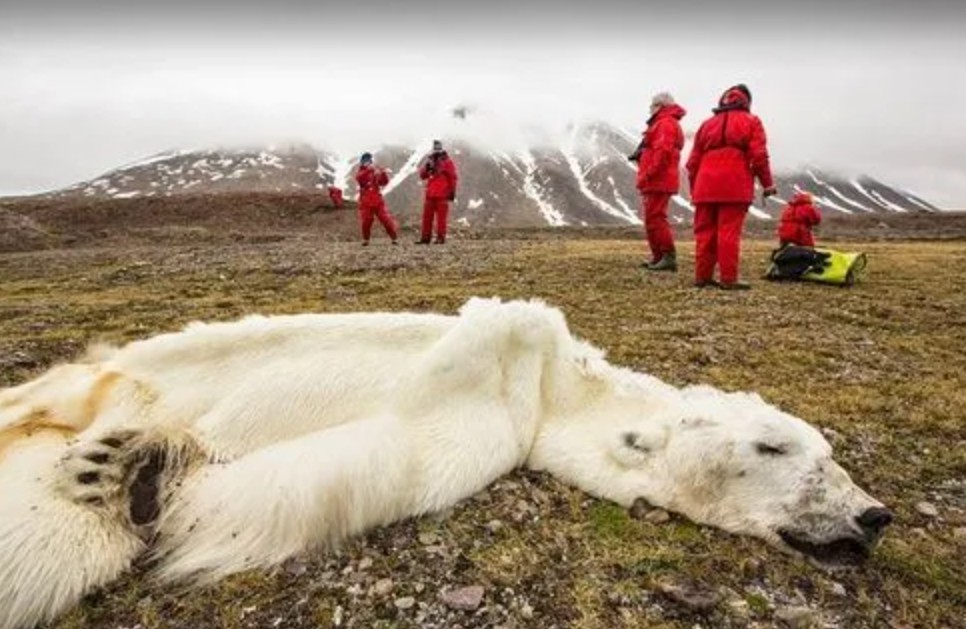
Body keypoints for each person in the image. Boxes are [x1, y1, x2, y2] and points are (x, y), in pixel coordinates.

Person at [685, 84, 777, 290]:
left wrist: (695, 190)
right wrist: (767, 184)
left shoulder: (707, 124)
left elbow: (692, 164)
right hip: (735, 185)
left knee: (704, 233)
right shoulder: (752, 121)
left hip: (704, 186)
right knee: (728, 233)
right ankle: (728, 279)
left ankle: (702, 277)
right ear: (747, 102)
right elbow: (759, 156)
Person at [631, 92, 687, 271]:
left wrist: (648, 173)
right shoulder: (663, 123)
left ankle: (668, 257)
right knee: (652, 218)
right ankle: (659, 257)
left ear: (659, 106)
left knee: (656, 218)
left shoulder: (666, 123)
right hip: (656, 179)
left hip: (658, 179)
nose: (650, 109)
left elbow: (663, 152)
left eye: (652, 106)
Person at [417, 140, 458, 245]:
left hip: (442, 195)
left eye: (438, 148)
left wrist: (452, 191)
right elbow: (422, 176)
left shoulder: (447, 162)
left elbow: (453, 177)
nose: (437, 151)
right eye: (435, 148)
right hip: (430, 194)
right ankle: (425, 238)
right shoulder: (430, 161)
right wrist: (427, 167)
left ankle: (440, 238)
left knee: (441, 219)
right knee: (427, 217)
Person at [354, 152, 398, 246]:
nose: (367, 163)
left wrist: (383, 173)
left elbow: (383, 182)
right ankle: (366, 239)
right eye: (365, 161)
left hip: (377, 200)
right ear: (362, 162)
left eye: (369, 161)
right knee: (366, 221)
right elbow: (359, 178)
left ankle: (394, 238)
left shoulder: (375, 171)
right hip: (365, 200)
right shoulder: (361, 171)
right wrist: (369, 170)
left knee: (386, 219)